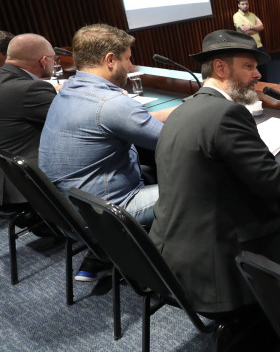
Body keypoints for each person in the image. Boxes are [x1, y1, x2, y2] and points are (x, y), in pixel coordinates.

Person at [150, 30, 280, 315]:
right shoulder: (228, 114)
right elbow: (276, 184)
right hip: (217, 273)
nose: (258, 74)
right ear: (220, 67)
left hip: (174, 259)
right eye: (249, 66)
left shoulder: (182, 109)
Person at [40, 24, 173, 280]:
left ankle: (105, 254)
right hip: (107, 213)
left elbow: (116, 120)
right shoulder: (111, 103)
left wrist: (172, 113)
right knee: (199, 188)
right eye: (128, 58)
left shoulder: (69, 89)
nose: (131, 66)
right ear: (110, 60)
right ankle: (167, 266)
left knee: (148, 170)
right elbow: (173, 143)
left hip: (69, 212)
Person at [0, 34, 57, 206]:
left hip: (7, 177)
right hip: (28, 184)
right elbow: (72, 120)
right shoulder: (32, 89)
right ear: (44, 61)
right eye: (54, 58)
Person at [233, 0, 267, 79]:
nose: (245, 6)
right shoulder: (236, 16)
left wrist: (250, 27)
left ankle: (265, 89)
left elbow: (262, 27)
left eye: (247, 4)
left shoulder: (252, 15)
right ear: (239, 5)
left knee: (264, 69)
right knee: (253, 72)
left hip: (259, 46)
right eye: (243, 4)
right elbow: (245, 31)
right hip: (248, 48)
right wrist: (256, 28)